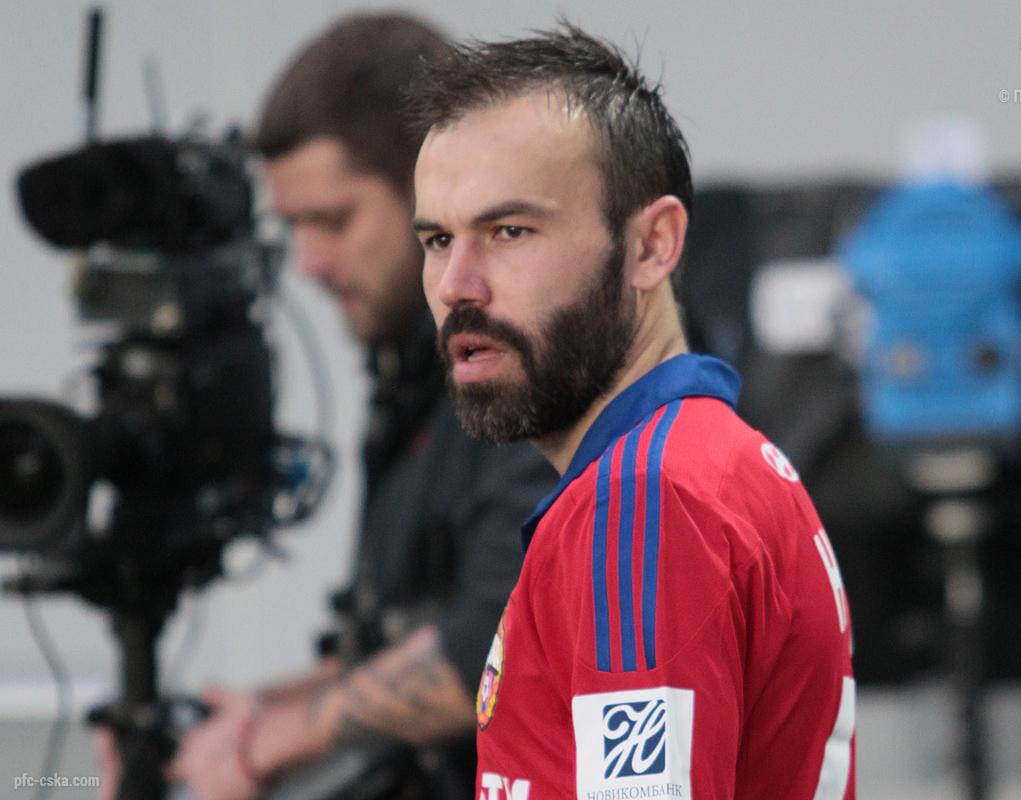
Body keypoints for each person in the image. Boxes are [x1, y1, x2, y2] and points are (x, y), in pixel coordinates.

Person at [97, 14, 556, 800]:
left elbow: (498, 641)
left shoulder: (523, 374)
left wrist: (262, 749)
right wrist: (249, 720)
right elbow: (395, 643)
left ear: (435, 196)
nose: (308, 264)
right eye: (294, 228)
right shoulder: (412, 381)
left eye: (333, 221)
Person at [409, 24, 857, 799]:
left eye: (509, 231)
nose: (456, 285)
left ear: (652, 246)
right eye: (438, 239)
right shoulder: (700, 461)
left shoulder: (644, 498)